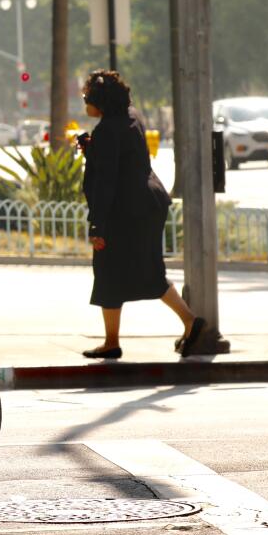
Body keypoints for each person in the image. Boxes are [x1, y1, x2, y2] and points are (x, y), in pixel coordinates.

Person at [79, 70, 206, 359]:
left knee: (114, 270)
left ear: (100, 100)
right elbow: (122, 161)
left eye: (87, 97)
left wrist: (97, 225)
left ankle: (187, 322)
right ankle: (184, 323)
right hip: (145, 204)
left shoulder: (107, 131)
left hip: (127, 211)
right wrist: (93, 150)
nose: (84, 101)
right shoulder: (130, 117)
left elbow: (106, 182)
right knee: (142, 270)